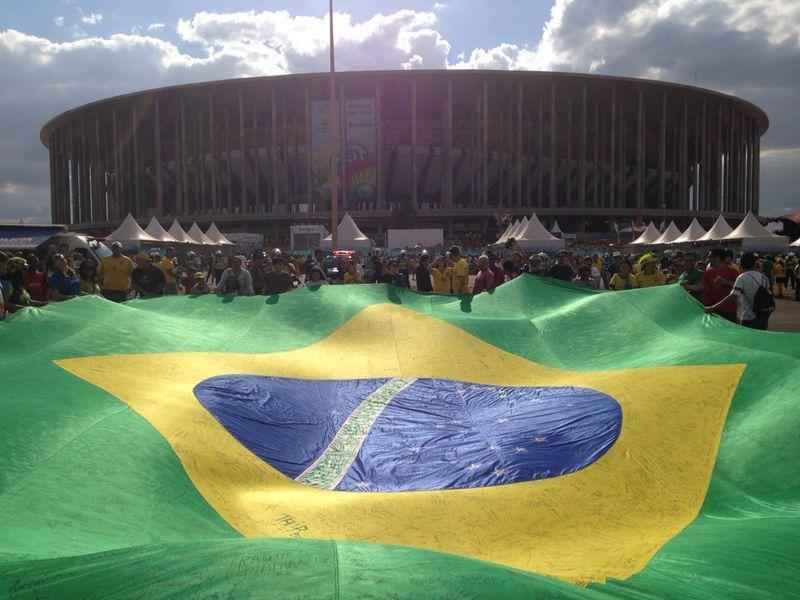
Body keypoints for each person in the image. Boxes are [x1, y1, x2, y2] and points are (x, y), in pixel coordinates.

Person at [706, 252, 773, 330]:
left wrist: (713, 307)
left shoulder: (742, 278)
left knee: (748, 339)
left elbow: (733, 296)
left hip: (748, 317)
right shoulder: (764, 277)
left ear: (741, 264)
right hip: (763, 314)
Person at [702, 248, 738, 323]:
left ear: (717, 258)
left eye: (710, 257)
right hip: (712, 310)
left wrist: (726, 282)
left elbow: (739, 288)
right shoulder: (708, 272)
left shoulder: (733, 272)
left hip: (729, 311)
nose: (708, 259)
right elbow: (704, 289)